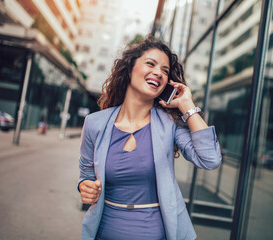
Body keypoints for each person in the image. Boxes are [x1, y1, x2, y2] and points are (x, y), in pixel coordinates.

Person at [78, 35, 222, 240]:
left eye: (165, 70)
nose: (158, 73)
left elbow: (210, 159)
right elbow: (86, 174)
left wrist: (187, 106)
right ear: (130, 69)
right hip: (104, 233)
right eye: (150, 64)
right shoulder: (95, 123)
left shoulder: (170, 124)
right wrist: (85, 186)